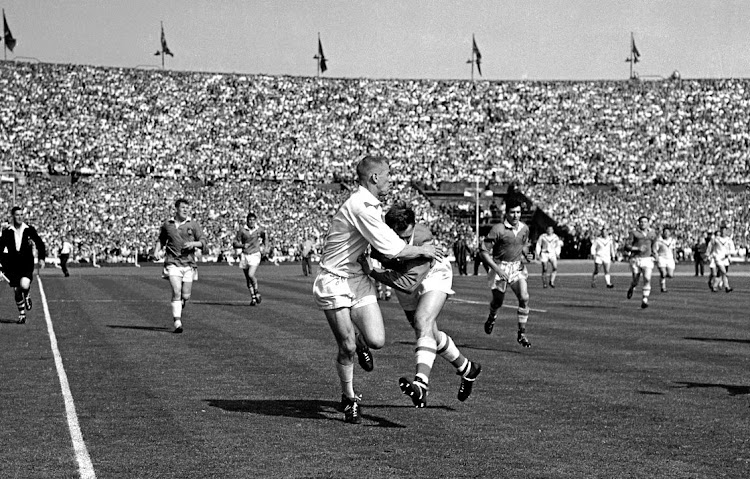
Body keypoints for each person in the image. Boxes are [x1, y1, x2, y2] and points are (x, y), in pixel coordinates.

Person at [312, 155, 439, 424]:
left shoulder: (369, 205)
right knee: (345, 347)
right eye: (388, 175)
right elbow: (391, 248)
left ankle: (359, 340)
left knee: (377, 340)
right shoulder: (361, 206)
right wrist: (423, 250)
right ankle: (349, 398)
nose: (390, 180)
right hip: (335, 280)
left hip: (356, 277)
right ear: (374, 178)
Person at [359, 203, 481, 408]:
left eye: (408, 236)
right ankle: (467, 369)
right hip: (402, 276)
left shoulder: (423, 239)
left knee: (422, 320)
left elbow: (408, 284)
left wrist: (373, 272)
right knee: (427, 332)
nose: (405, 241)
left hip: (432, 274)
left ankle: (421, 384)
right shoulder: (381, 235)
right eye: (400, 237)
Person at [480, 199, 533, 348]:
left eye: (518, 212)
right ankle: (491, 318)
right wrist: (497, 269)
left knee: (524, 297)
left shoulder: (524, 228)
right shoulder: (498, 229)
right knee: (498, 302)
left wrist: (528, 255)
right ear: (506, 213)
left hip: (516, 268)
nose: (516, 215)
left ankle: (521, 333)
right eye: (512, 212)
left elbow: (524, 245)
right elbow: (483, 252)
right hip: (499, 267)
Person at [153, 198, 208, 333]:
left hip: (188, 263)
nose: (185, 210)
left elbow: (203, 241)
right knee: (176, 291)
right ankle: (177, 322)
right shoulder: (168, 224)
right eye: (183, 207)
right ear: (176, 209)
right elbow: (161, 239)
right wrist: (156, 250)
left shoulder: (193, 225)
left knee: (186, 295)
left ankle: (182, 302)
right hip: (172, 262)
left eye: (187, 208)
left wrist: (193, 244)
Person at [0, 207, 46, 324]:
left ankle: (27, 294)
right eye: (17, 215)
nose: (20, 217)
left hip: (26, 264)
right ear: (13, 216)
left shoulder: (29, 229)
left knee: (24, 284)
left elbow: (40, 243)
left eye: (21, 215)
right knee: (16, 290)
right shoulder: (7, 231)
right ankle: (22, 314)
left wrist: (41, 258)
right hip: (13, 265)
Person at [624, 216, 658, 309]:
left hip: (647, 259)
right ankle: (631, 287)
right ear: (638, 223)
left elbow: (654, 245)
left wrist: (655, 253)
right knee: (636, 280)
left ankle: (645, 299)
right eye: (641, 222)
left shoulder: (652, 234)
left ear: (648, 223)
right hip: (636, 259)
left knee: (647, 278)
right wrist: (637, 248)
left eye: (645, 222)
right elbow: (627, 246)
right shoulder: (634, 233)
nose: (643, 223)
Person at [232, 212, 266, 305]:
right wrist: (242, 245)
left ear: (255, 221)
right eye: (250, 220)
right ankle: (253, 298)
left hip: (255, 254)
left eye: (253, 220)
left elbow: (264, 238)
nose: (251, 222)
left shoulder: (259, 230)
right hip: (245, 255)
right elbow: (234, 243)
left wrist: (265, 248)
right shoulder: (242, 230)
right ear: (247, 221)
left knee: (251, 274)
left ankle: (256, 291)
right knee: (248, 278)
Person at [708, 224, 737, 293]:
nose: (723, 232)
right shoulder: (716, 239)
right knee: (723, 272)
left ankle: (717, 286)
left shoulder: (729, 240)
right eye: (721, 230)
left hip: (725, 259)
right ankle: (726, 286)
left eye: (724, 230)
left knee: (721, 274)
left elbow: (733, 250)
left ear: (726, 231)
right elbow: (710, 246)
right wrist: (709, 254)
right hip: (718, 258)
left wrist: (728, 254)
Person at [655, 227, 677, 293]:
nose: (666, 233)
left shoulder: (672, 240)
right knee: (663, 273)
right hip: (661, 258)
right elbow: (655, 250)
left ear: (670, 233)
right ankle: (663, 287)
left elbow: (674, 249)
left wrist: (675, 258)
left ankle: (662, 277)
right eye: (665, 232)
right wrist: (656, 257)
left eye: (668, 232)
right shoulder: (659, 241)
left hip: (670, 258)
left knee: (670, 275)